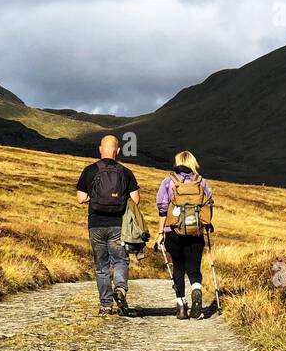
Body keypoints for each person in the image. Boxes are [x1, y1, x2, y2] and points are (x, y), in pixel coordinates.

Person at [76, 136, 141, 316]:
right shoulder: (125, 172)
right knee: (120, 260)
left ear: (100, 149)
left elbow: (80, 198)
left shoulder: (89, 170)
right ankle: (120, 288)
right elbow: (136, 200)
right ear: (118, 151)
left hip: (96, 225)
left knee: (101, 266)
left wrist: (94, 198)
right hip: (118, 225)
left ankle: (105, 304)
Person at [155, 151, 214, 319]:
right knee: (194, 268)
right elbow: (209, 204)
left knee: (179, 268)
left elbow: (162, 208)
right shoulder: (201, 182)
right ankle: (196, 291)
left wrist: (160, 233)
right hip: (196, 232)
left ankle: (181, 306)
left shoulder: (169, 181)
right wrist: (206, 224)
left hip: (173, 232)